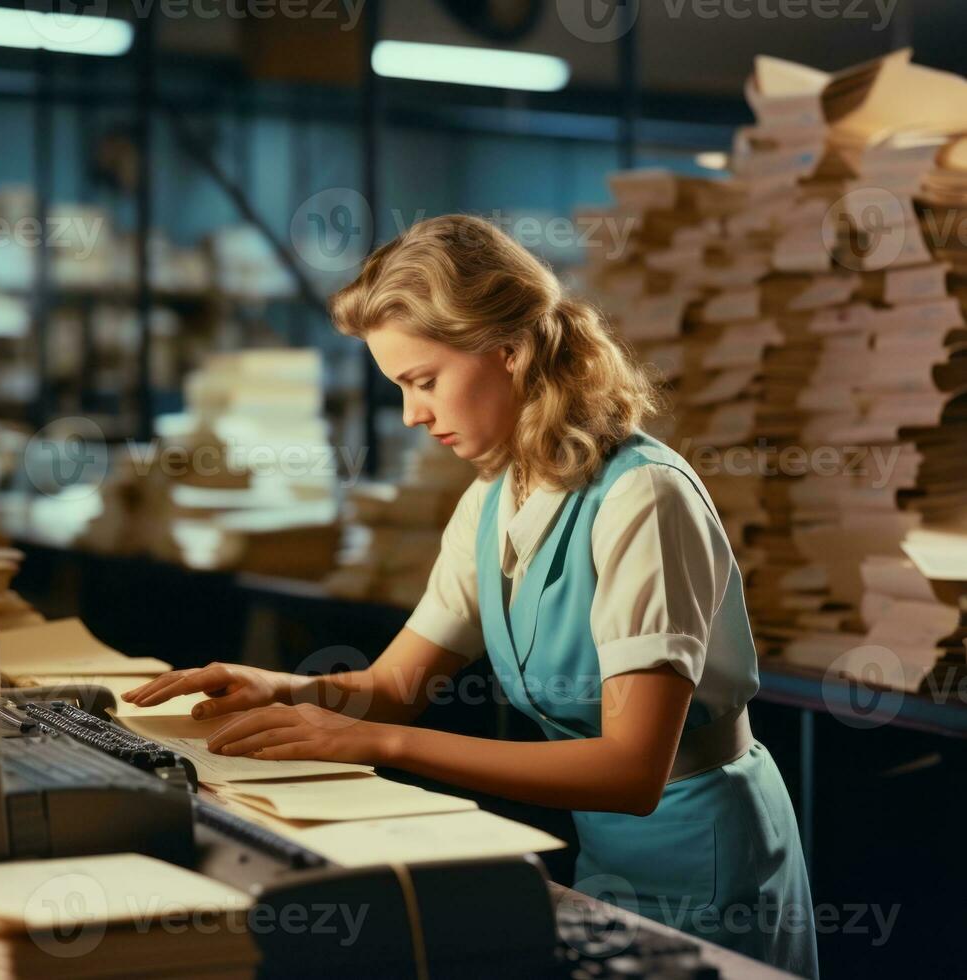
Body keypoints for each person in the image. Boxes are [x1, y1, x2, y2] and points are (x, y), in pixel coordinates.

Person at [124, 215, 819, 977]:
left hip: (711, 858)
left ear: (510, 352)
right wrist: (282, 687)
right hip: (609, 853)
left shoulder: (641, 498)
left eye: (422, 382)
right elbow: (391, 688)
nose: (411, 415)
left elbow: (630, 769)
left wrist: (378, 744)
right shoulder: (492, 498)